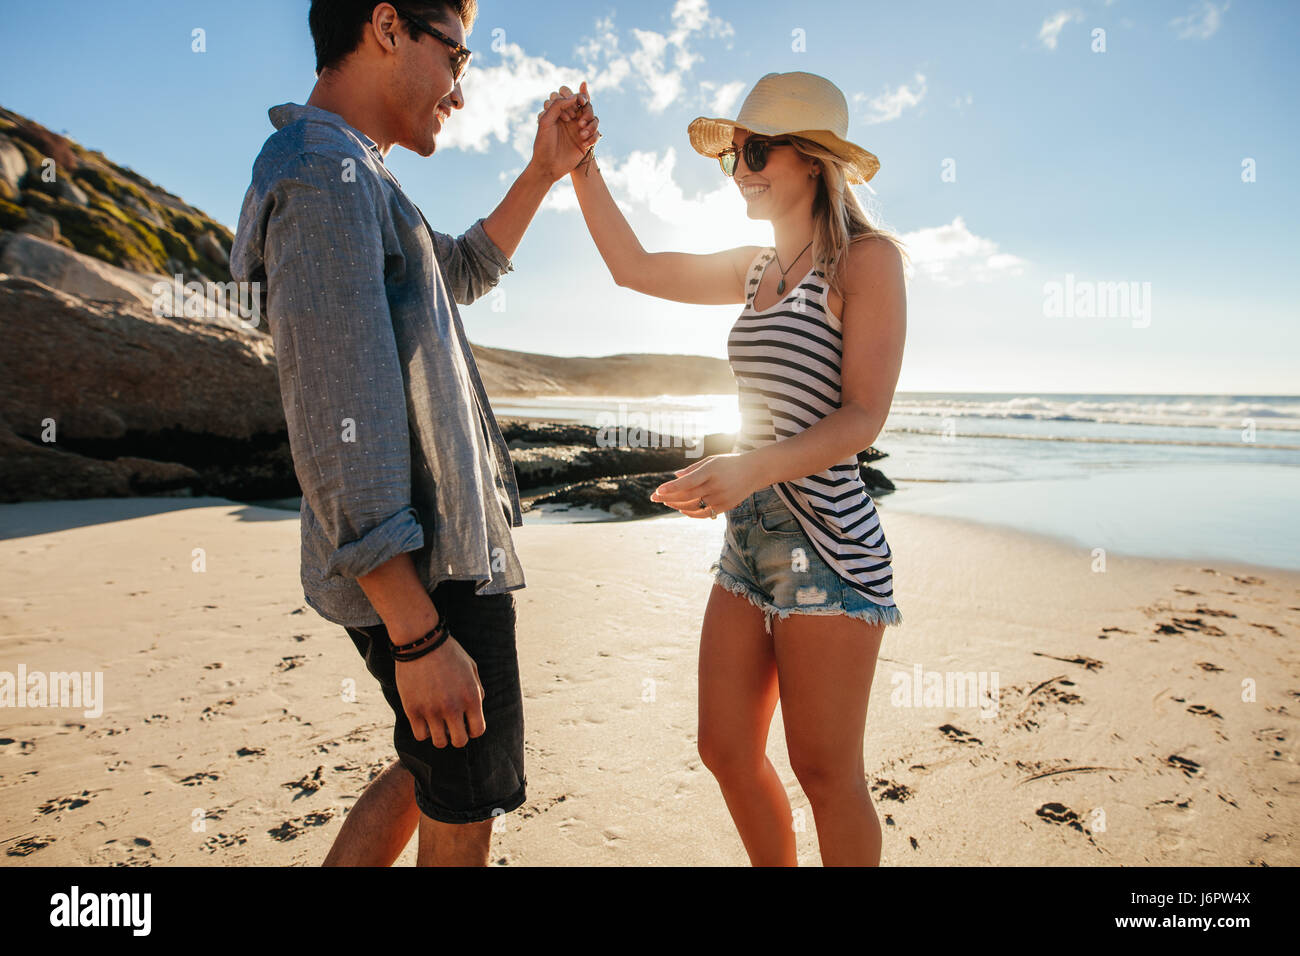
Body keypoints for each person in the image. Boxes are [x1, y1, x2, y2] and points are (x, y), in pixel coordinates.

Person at [229, 0, 596, 867]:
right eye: (458, 59)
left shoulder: (356, 173)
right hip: (427, 573)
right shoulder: (323, 173)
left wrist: (545, 172)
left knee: (430, 765)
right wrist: (419, 634)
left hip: (437, 561)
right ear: (387, 26)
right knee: (462, 804)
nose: (460, 93)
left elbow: (455, 271)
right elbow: (335, 421)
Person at [545, 71, 908, 865]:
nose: (741, 167)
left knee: (824, 770)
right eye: (736, 152)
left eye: (757, 150)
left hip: (831, 550)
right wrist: (581, 166)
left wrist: (748, 467)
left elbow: (863, 416)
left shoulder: (866, 262)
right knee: (726, 750)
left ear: (812, 159)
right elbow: (633, 268)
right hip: (749, 542)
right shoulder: (754, 269)